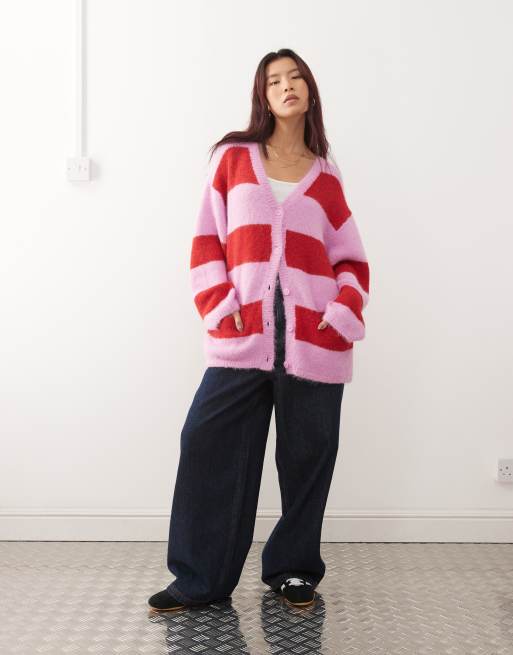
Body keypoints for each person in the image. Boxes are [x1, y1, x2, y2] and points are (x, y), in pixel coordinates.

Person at [148, 48, 370, 612]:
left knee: (307, 459)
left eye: (295, 77)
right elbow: (206, 241)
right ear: (263, 97)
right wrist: (219, 304)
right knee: (206, 443)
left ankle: (293, 570)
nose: (286, 85)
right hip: (242, 336)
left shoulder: (326, 176)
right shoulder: (233, 159)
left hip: (314, 339)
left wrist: (340, 314)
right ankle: (200, 578)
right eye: (274, 81)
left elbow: (351, 260)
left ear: (309, 91)